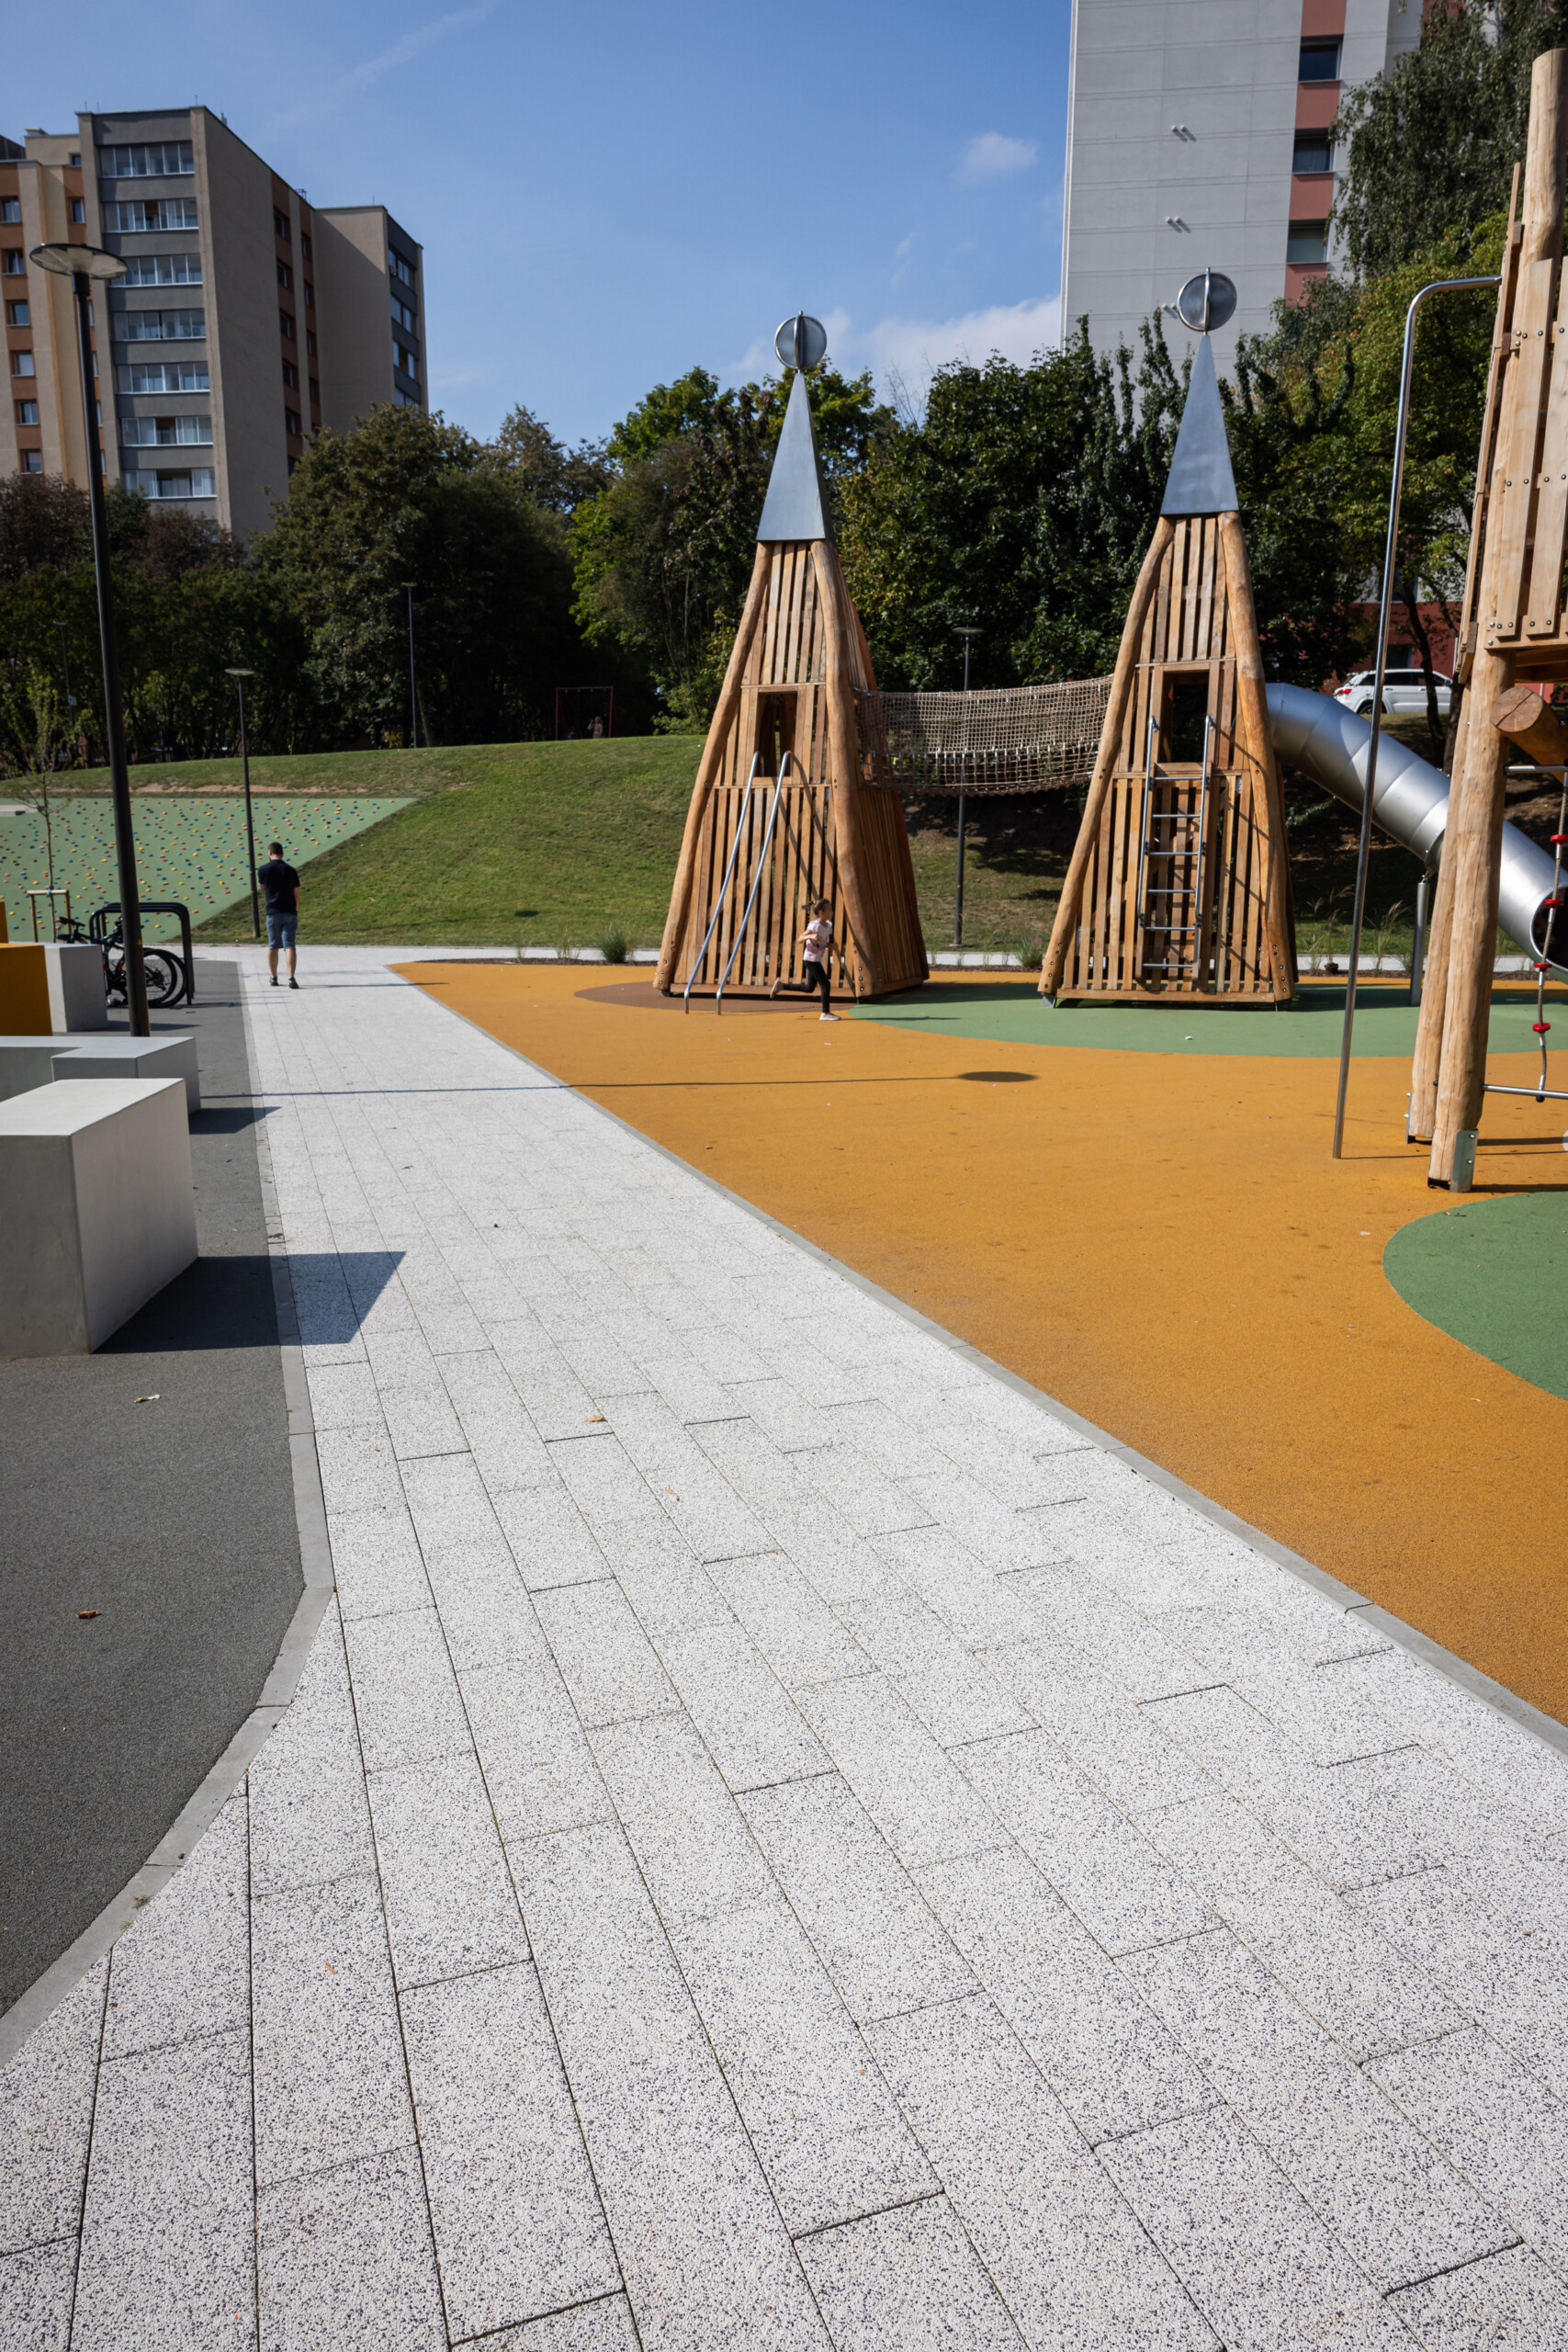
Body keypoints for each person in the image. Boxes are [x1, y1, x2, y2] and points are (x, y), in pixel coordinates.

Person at [770, 897, 839, 1019]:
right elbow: (800, 939)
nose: (832, 912)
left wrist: (830, 945)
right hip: (810, 960)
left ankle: (782, 986)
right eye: (830, 910)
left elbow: (822, 942)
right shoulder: (814, 925)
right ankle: (825, 1013)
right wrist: (810, 936)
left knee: (809, 988)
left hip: (815, 959)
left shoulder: (828, 925)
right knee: (825, 984)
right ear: (821, 912)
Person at [259, 841, 300, 989]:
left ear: (270, 853)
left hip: (273, 912)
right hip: (289, 911)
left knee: (273, 945)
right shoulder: (291, 870)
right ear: (282, 854)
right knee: (289, 945)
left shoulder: (263, 869)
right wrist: (295, 908)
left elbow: (262, 888)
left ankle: (274, 977)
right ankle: (291, 978)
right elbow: (296, 893)